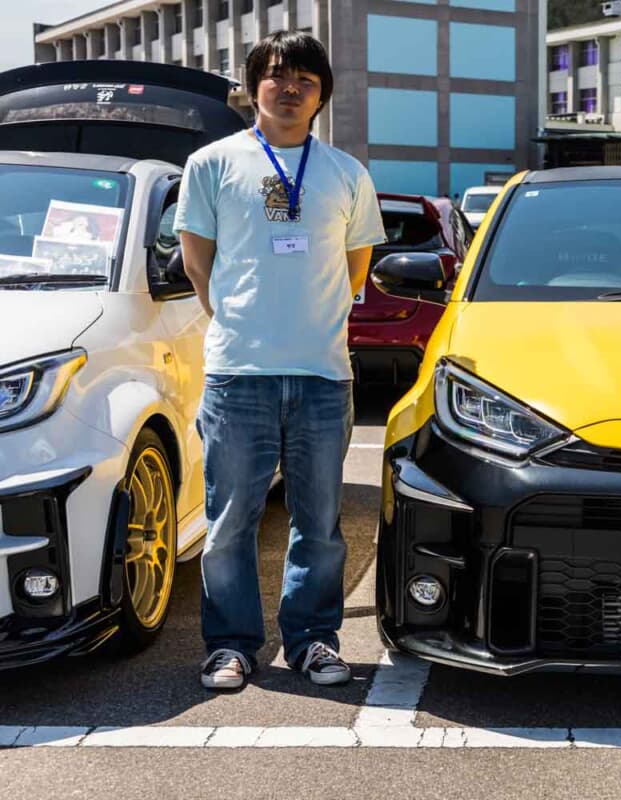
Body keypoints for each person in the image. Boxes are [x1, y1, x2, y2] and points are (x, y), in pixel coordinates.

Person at [176, 31, 386, 691]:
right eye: (275, 75)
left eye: (305, 79)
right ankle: (231, 645)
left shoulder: (346, 173)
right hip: (238, 374)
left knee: (318, 524)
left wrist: (310, 320)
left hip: (323, 375)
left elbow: (356, 267)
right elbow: (197, 261)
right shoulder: (211, 163)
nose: (289, 88)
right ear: (252, 86)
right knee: (229, 522)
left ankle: (313, 641)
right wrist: (241, 319)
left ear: (322, 94)